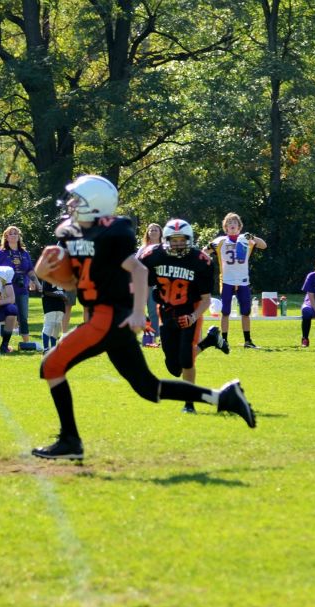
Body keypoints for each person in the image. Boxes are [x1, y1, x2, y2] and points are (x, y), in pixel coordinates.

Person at [32, 174, 256, 461]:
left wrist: (139, 312)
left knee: (51, 365)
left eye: (79, 200)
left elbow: (138, 270)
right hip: (107, 317)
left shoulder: (112, 232)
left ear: (95, 205)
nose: (72, 204)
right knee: (148, 387)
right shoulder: (72, 233)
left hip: (109, 317)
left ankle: (70, 441)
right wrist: (44, 273)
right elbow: (76, 283)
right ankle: (223, 397)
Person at [139, 218, 216, 414]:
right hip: (166, 311)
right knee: (174, 367)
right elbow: (142, 285)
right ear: (166, 240)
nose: (178, 244)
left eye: (182, 240)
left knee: (186, 359)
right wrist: (139, 310)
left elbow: (206, 299)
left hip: (190, 311)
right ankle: (210, 341)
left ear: (189, 240)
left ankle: (189, 404)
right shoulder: (152, 256)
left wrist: (194, 316)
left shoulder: (201, 261)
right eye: (174, 240)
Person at [205, 212, 267, 348]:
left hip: (243, 280)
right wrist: (207, 255)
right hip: (227, 280)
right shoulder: (220, 241)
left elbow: (263, 245)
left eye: (234, 222)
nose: (232, 225)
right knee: (225, 311)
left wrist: (253, 237)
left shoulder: (245, 239)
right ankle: (224, 340)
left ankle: (248, 341)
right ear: (225, 227)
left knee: (246, 311)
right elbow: (204, 252)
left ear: (239, 226)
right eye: (229, 223)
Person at [0, 225, 40, 345]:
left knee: (23, 317)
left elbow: (30, 270)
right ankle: (5, 344)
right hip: (7, 290)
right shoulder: (0, 253)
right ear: (6, 237)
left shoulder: (24, 253)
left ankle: (26, 343)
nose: (14, 235)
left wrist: (36, 282)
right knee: (6, 315)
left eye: (16, 233)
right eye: (11, 233)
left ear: (19, 236)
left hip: (22, 288)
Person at [138, 222, 163, 342]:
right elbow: (135, 264)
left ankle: (155, 336)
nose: (153, 232)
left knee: (153, 311)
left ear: (160, 233)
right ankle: (145, 333)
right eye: (151, 230)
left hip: (157, 284)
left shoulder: (164, 248)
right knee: (138, 310)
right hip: (143, 283)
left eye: (155, 230)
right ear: (147, 233)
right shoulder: (143, 248)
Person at [40, 278, 67, 350]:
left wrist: (64, 296)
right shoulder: (48, 276)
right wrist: (60, 296)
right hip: (50, 304)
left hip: (60, 304)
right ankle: (46, 348)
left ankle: (53, 348)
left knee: (57, 326)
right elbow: (45, 292)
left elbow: (62, 291)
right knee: (49, 324)